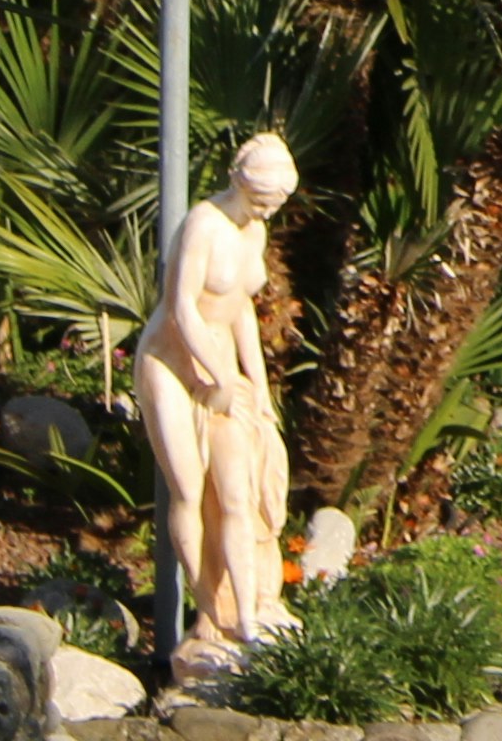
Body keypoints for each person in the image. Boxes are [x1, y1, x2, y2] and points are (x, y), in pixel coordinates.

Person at [136, 134, 298, 660]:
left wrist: (257, 384)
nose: (266, 212)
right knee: (187, 487)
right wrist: (220, 375)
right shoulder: (203, 225)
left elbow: (239, 308)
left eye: (274, 204)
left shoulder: (255, 230)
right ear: (240, 182)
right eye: (261, 201)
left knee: (236, 491)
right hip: (171, 363)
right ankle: (207, 608)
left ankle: (243, 610)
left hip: (219, 365)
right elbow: (181, 307)